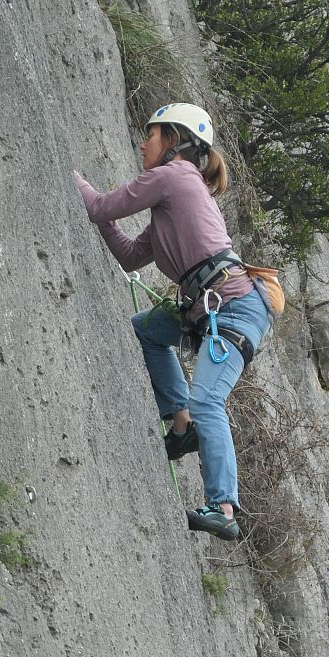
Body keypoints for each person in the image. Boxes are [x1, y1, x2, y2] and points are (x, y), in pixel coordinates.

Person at [73, 103, 271, 540]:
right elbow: (127, 254)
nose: (143, 143)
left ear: (173, 141)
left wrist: (72, 177)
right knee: (146, 329)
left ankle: (224, 507)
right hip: (206, 307)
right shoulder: (172, 202)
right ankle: (180, 427)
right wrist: (98, 211)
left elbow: (102, 205)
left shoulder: (173, 176)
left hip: (232, 307)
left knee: (209, 402)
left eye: (152, 134)